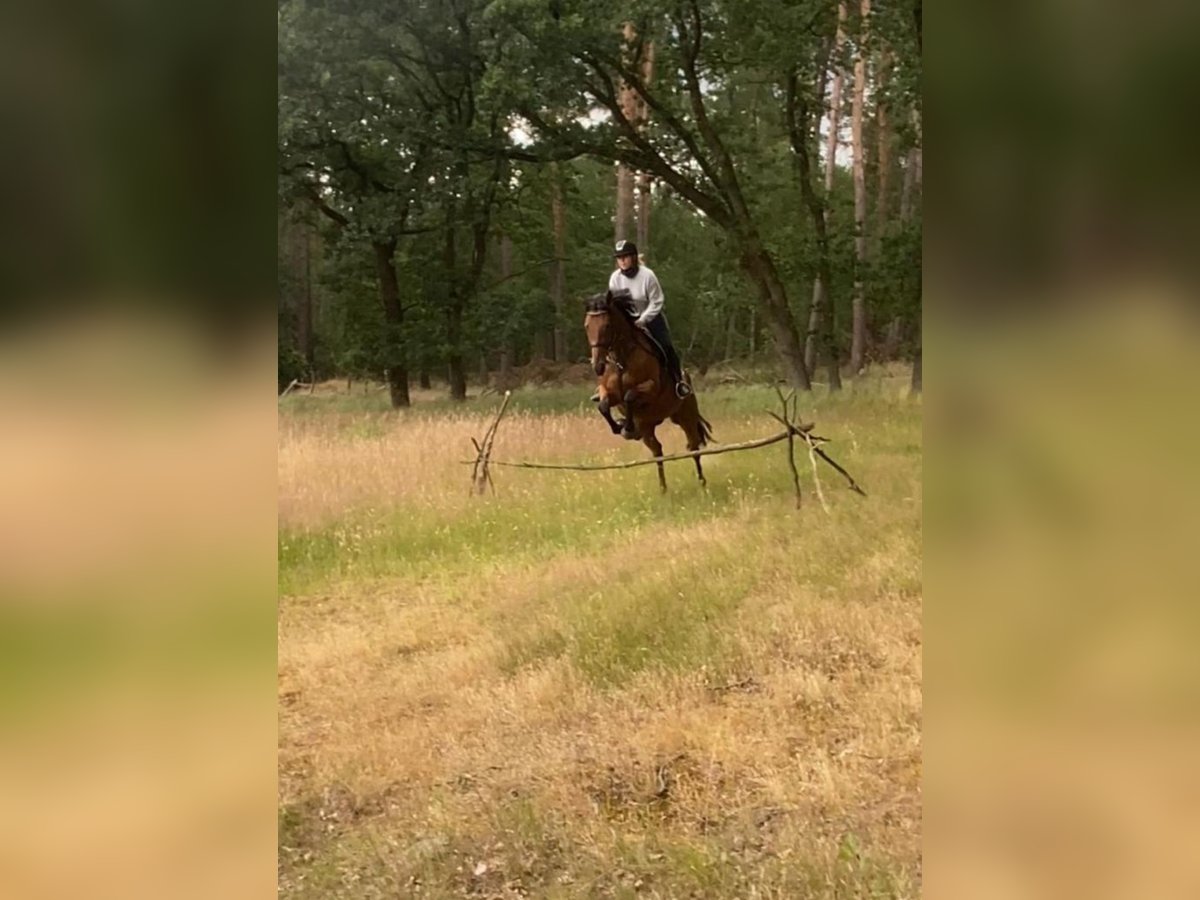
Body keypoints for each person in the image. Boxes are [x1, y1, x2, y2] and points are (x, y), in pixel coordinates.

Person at [602, 239, 691, 399]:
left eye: (625, 257)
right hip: (627, 322)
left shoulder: (647, 276)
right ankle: (605, 385)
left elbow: (657, 301)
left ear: (634, 258)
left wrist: (643, 320)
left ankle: (679, 382)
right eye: (619, 257)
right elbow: (613, 305)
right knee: (608, 347)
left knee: (666, 346)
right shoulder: (615, 278)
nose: (622, 261)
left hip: (651, 319)